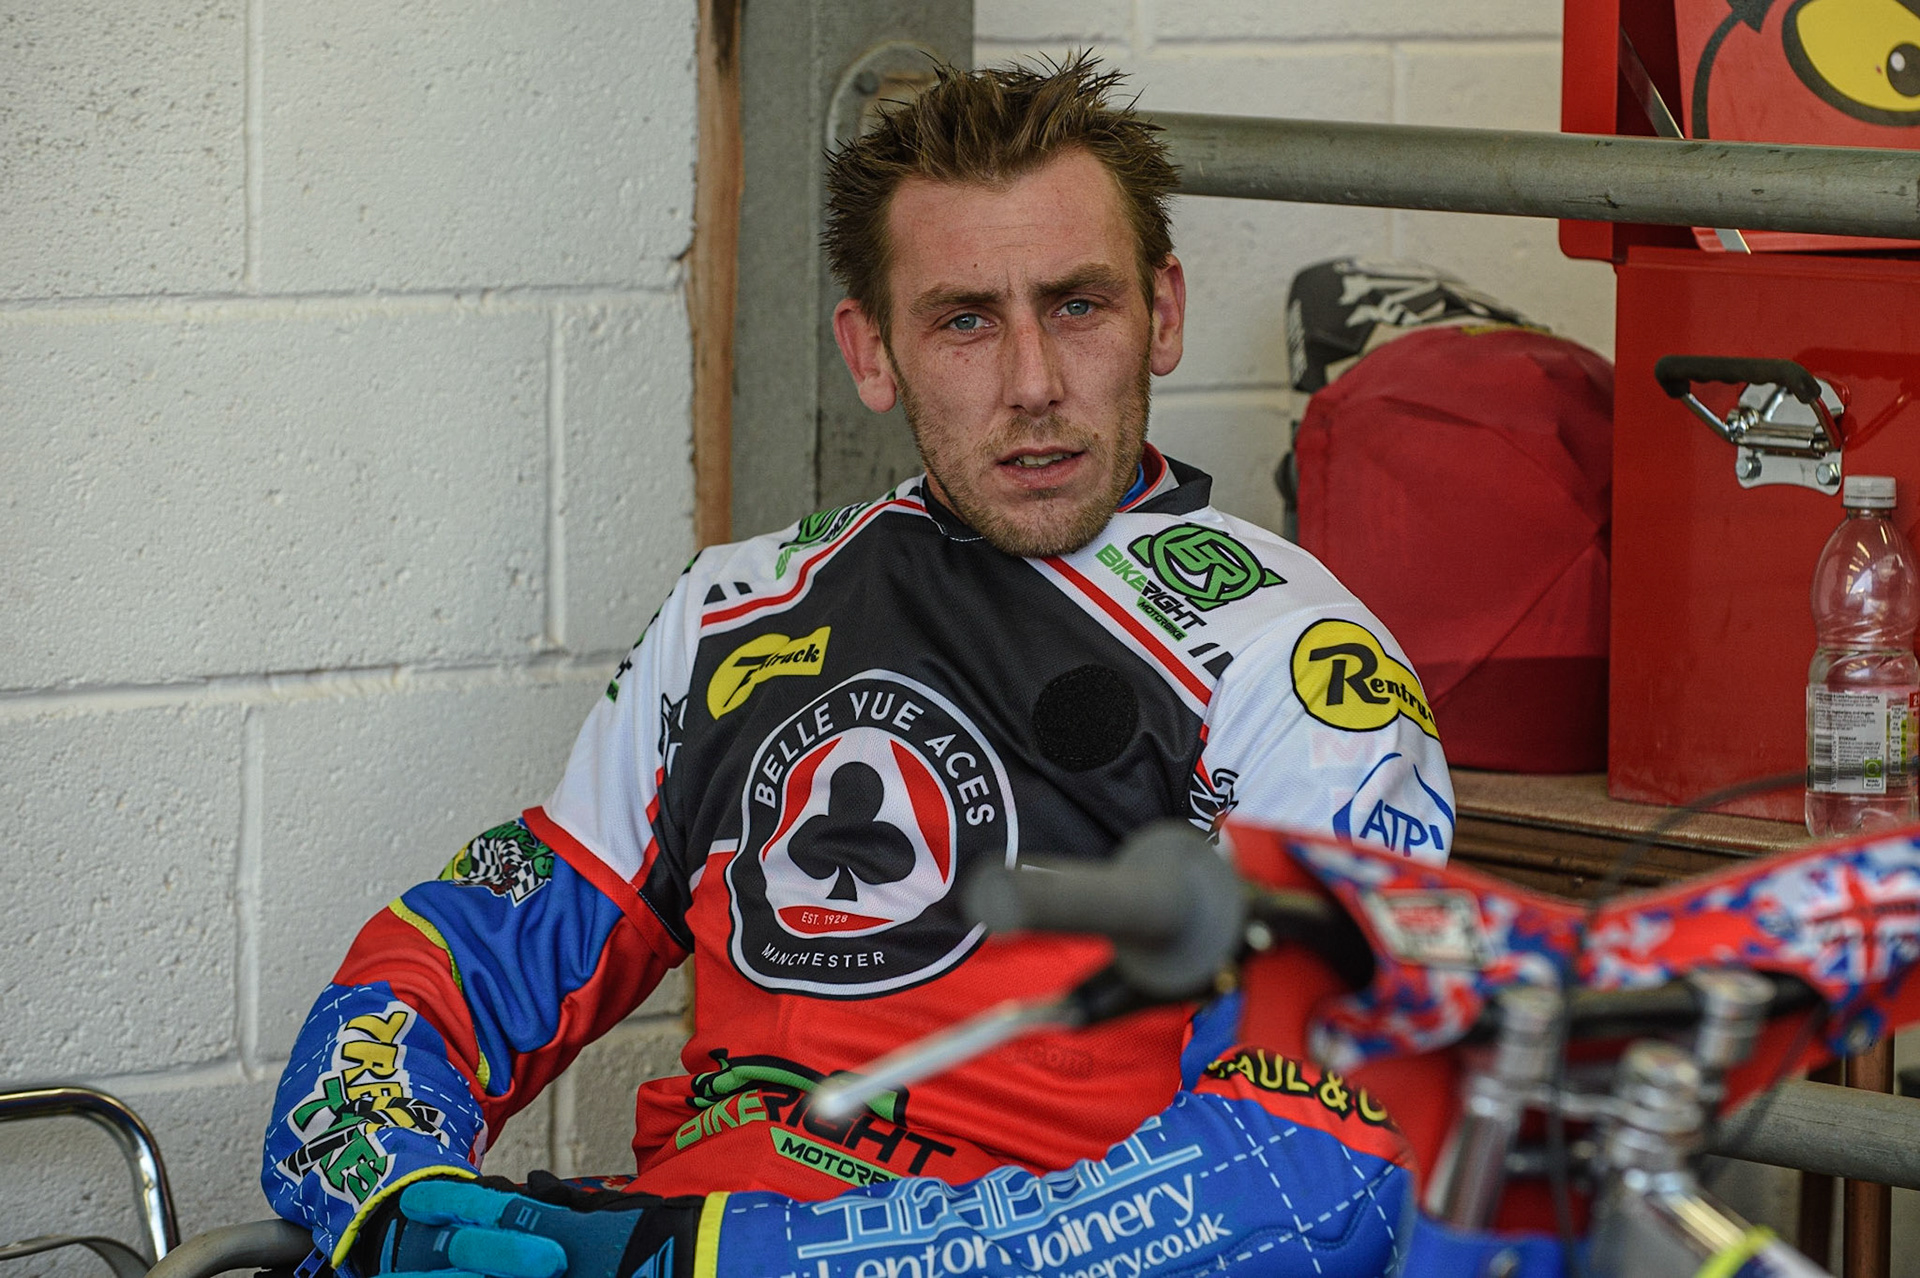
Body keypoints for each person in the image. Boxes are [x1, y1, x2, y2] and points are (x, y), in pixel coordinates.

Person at [263, 55, 1455, 1278]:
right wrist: (383, 1179)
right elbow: (483, 946)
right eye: (965, 320)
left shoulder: (1290, 656)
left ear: (1163, 311)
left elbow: (1312, 1167)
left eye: (1078, 306)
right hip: (667, 1237)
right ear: (872, 350)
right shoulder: (733, 610)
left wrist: (757, 1257)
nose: (1033, 383)